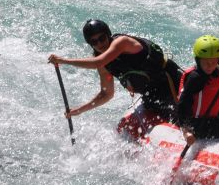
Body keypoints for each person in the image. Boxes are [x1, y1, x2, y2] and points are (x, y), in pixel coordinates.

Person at [48, 19, 183, 123]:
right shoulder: (103, 63)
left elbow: (98, 62)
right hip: (153, 95)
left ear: (108, 35)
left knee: (187, 121)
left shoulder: (122, 43)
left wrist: (63, 60)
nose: (100, 44)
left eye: (102, 38)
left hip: (174, 85)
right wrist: (79, 110)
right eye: (94, 42)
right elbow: (106, 94)